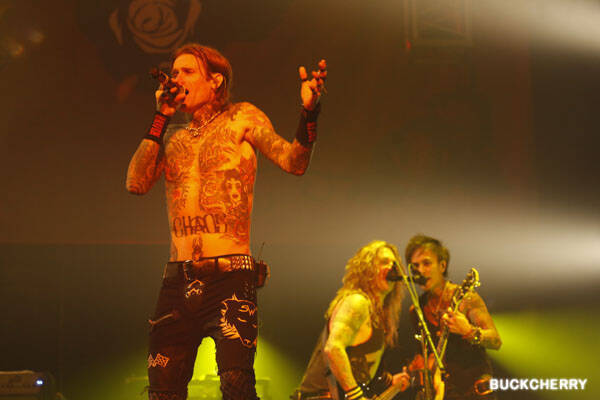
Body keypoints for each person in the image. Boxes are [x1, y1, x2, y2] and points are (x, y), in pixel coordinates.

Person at [126, 43, 327, 400]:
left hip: (229, 277)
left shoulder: (242, 118)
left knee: (236, 386)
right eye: (174, 72)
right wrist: (161, 116)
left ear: (215, 80)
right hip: (178, 279)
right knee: (162, 390)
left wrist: (309, 113)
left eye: (188, 72)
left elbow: (294, 162)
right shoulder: (171, 136)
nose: (177, 78)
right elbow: (135, 183)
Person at [293, 240, 411, 400]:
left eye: (394, 264)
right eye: (384, 262)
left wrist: (389, 381)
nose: (391, 267)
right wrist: (355, 395)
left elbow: (361, 368)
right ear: (367, 269)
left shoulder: (378, 315)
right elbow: (333, 348)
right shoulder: (357, 302)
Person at [405, 234, 502, 400]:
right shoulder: (417, 310)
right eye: (415, 266)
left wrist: (469, 331)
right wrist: (416, 367)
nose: (420, 270)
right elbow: (427, 354)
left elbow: (495, 340)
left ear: (442, 265)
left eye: (426, 263)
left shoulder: (465, 298)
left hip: (475, 393)